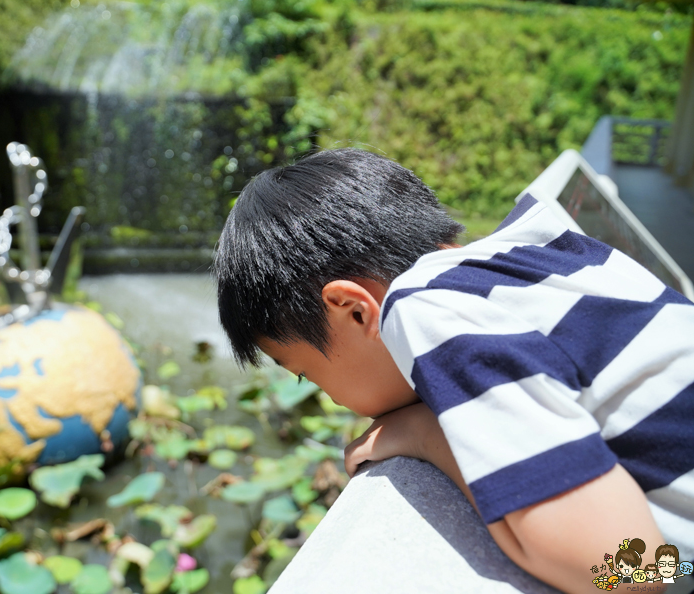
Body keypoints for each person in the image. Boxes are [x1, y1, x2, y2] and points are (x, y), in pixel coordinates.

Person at [212, 147, 694, 594]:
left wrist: (426, 435)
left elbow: (627, 568)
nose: (328, 398)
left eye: (305, 373)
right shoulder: (544, 250)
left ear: (354, 310)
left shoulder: (423, 307)